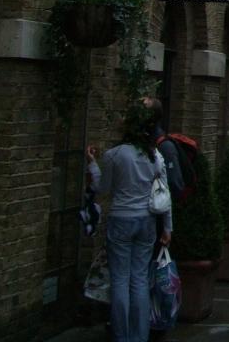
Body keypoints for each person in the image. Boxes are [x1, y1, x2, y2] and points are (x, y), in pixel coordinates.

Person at [86, 104, 172, 342]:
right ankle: (139, 336)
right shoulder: (155, 156)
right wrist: (167, 228)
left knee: (120, 280)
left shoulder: (115, 154)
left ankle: (121, 335)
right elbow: (164, 194)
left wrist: (92, 163)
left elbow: (103, 188)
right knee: (140, 280)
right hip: (147, 221)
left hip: (121, 219)